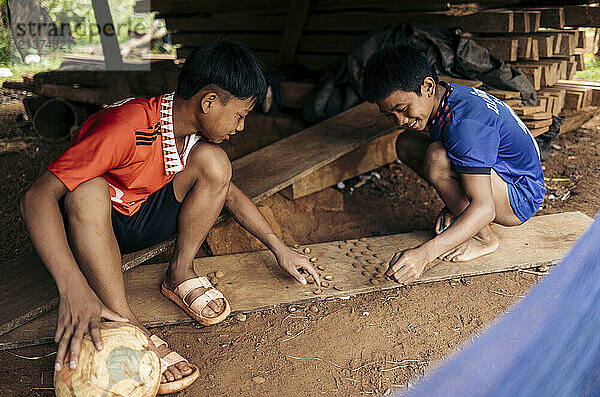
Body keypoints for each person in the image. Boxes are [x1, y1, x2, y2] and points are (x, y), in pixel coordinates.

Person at [20, 41, 320, 394]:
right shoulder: (124, 126)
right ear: (208, 102)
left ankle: (179, 272)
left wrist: (278, 247)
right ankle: (128, 323)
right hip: (94, 229)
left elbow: (230, 192)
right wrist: (72, 285)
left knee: (216, 164)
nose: (240, 126)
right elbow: (35, 197)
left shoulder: (187, 129)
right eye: (239, 115)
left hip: (140, 218)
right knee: (85, 191)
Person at [363, 45, 545, 286]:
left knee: (437, 158)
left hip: (520, 197)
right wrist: (454, 204)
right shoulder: (446, 96)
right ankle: (462, 208)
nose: (399, 120)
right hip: (500, 177)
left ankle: (484, 240)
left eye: (403, 109)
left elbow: (485, 208)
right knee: (407, 143)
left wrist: (424, 255)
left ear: (427, 86)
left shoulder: (464, 125)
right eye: (389, 114)